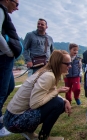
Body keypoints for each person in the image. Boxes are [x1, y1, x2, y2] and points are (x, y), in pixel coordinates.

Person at [3, 50, 72, 140]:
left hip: (11, 117)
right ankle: (44, 137)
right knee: (58, 103)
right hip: (13, 121)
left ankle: (29, 133)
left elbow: (50, 91)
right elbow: (35, 103)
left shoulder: (47, 72)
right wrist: (57, 92)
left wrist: (65, 100)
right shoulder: (48, 76)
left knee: (60, 102)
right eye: (67, 64)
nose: (70, 66)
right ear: (58, 63)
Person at [0, 0, 19, 137]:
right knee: (1, 92)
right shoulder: (1, 10)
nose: (17, 8)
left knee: (9, 86)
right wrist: (8, 51)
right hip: (3, 57)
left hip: (7, 59)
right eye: (16, 3)